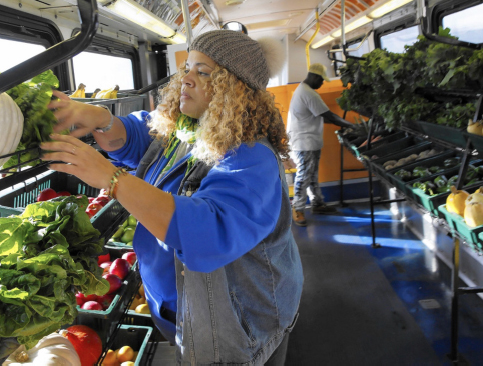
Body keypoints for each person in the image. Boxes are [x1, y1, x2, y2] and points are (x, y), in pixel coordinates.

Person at [41, 29, 304, 365]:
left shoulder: (251, 157)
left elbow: (210, 231)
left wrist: (111, 178)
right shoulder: (188, 128)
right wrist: (102, 119)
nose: (187, 80)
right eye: (187, 69)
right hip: (183, 314)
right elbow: (143, 136)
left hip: (239, 327)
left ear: (234, 89)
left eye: (203, 72)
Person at [287, 63, 354, 227]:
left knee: (312, 175)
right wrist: (353, 126)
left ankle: (317, 203)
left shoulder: (303, 90)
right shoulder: (309, 94)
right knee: (304, 176)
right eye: (322, 81)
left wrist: (344, 124)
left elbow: (321, 116)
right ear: (315, 77)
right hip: (304, 143)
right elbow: (329, 116)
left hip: (308, 141)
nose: (322, 84)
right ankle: (298, 208)